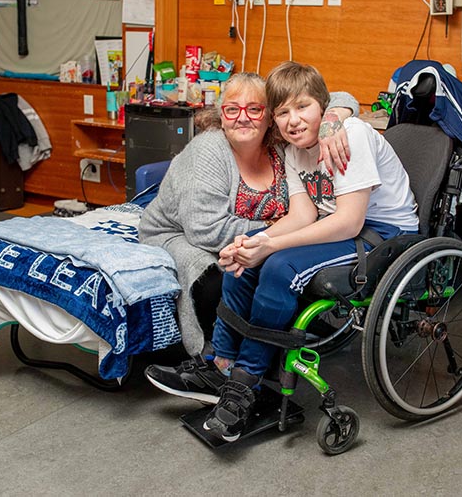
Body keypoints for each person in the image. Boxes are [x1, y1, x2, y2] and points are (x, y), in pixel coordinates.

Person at [151, 61, 419, 442]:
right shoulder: (295, 150)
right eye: (282, 112)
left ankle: (244, 383)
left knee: (279, 267)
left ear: (323, 108)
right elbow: (302, 214)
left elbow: (349, 223)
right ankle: (221, 362)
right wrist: (255, 243)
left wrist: (271, 245)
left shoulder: (350, 135)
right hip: (337, 222)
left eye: (303, 108)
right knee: (243, 258)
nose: (293, 120)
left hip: (386, 233)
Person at [138, 73, 359, 378]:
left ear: (271, 116)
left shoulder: (283, 141)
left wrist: (334, 119)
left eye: (254, 109)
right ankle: (218, 359)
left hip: (264, 233)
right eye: (232, 109)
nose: (243, 118)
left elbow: (339, 97)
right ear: (221, 115)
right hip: (181, 234)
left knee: (266, 261)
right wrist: (271, 234)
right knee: (221, 272)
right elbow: (206, 230)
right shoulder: (209, 151)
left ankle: (256, 350)